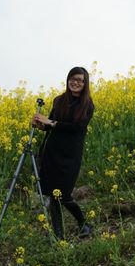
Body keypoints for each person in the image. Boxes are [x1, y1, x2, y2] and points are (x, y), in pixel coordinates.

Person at [32, 67, 95, 241]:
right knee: (54, 195)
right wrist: (40, 124)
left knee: (64, 194)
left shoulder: (87, 105)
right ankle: (59, 236)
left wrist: (50, 122)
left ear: (85, 84)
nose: (75, 83)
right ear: (68, 80)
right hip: (52, 152)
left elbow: (76, 128)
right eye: (73, 79)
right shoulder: (58, 100)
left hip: (70, 155)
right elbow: (50, 126)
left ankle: (84, 223)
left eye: (80, 80)